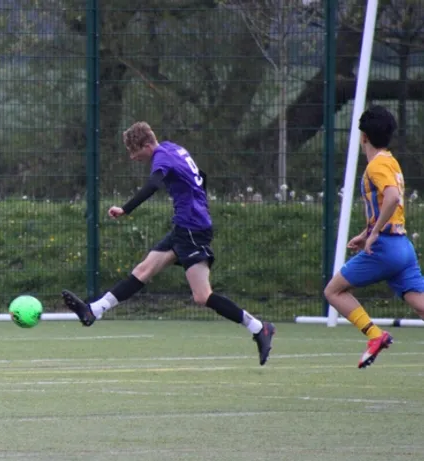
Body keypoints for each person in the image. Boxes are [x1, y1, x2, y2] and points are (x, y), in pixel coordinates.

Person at [61, 122, 275, 365]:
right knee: (143, 270)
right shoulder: (174, 148)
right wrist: (197, 203)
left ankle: (259, 328)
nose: (133, 157)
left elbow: (154, 184)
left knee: (202, 296)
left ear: (146, 145)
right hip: (185, 226)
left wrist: (125, 209)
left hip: (192, 230)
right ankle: (93, 311)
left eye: (134, 151)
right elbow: (201, 175)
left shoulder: (161, 157)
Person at [323, 105, 424, 368]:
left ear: (363, 136)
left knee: (333, 291)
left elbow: (392, 197)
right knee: (419, 303)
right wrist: (365, 232)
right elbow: (388, 205)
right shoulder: (390, 160)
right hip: (402, 246)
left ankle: (375, 335)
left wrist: (375, 233)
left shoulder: (376, 166)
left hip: (385, 248)